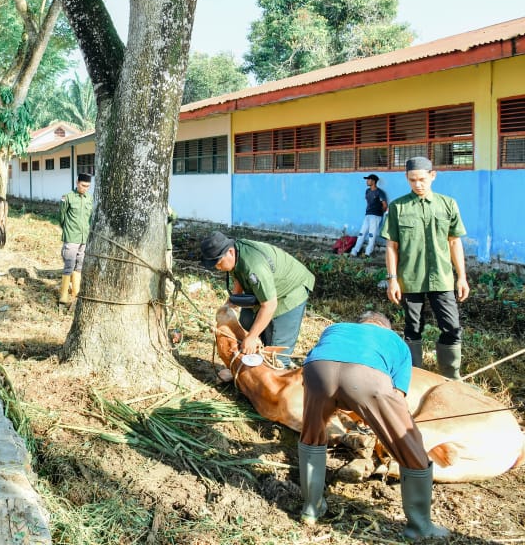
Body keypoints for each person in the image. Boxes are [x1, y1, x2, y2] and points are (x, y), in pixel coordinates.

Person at [299, 312, 448, 539]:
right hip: (366, 376)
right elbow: (397, 396)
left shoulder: (336, 327)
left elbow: (315, 365)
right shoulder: (396, 342)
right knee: (411, 446)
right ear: (385, 328)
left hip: (318, 369)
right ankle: (420, 527)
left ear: (359, 324)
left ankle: (311, 508)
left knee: (312, 435)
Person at [382, 156, 469, 379]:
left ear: (433, 175)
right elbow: (392, 246)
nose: (417, 184)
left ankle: (451, 377)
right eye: (412, 180)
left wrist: (461, 277)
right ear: (406, 178)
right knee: (413, 329)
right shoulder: (398, 207)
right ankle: (415, 377)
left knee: (451, 327)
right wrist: (392, 278)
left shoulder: (448, 204)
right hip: (410, 280)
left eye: (422, 179)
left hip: (442, 278)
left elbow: (454, 241)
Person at [200, 231, 315, 367]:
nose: (217, 268)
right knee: (246, 321)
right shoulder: (235, 254)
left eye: (218, 263)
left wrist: (252, 337)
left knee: (275, 354)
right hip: (266, 290)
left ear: (230, 252)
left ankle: (273, 370)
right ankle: (254, 360)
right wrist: (232, 303)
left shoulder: (255, 267)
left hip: (290, 291)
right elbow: (238, 274)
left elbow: (270, 305)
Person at [58, 172, 93, 304]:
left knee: (79, 265)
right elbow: (61, 217)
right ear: (77, 182)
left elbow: (90, 218)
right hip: (72, 236)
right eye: (83, 185)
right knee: (69, 264)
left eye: (88, 186)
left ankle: (75, 292)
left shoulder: (89, 198)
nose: (85, 188)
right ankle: (63, 295)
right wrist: (68, 230)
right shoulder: (67, 197)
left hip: (84, 238)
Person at [349, 174, 388, 257]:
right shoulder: (367, 191)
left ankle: (368, 253)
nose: (367, 181)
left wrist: (379, 213)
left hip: (376, 216)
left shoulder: (379, 192)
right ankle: (354, 251)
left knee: (371, 234)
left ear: (373, 181)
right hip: (368, 215)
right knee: (361, 233)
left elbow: (385, 205)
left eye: (368, 180)